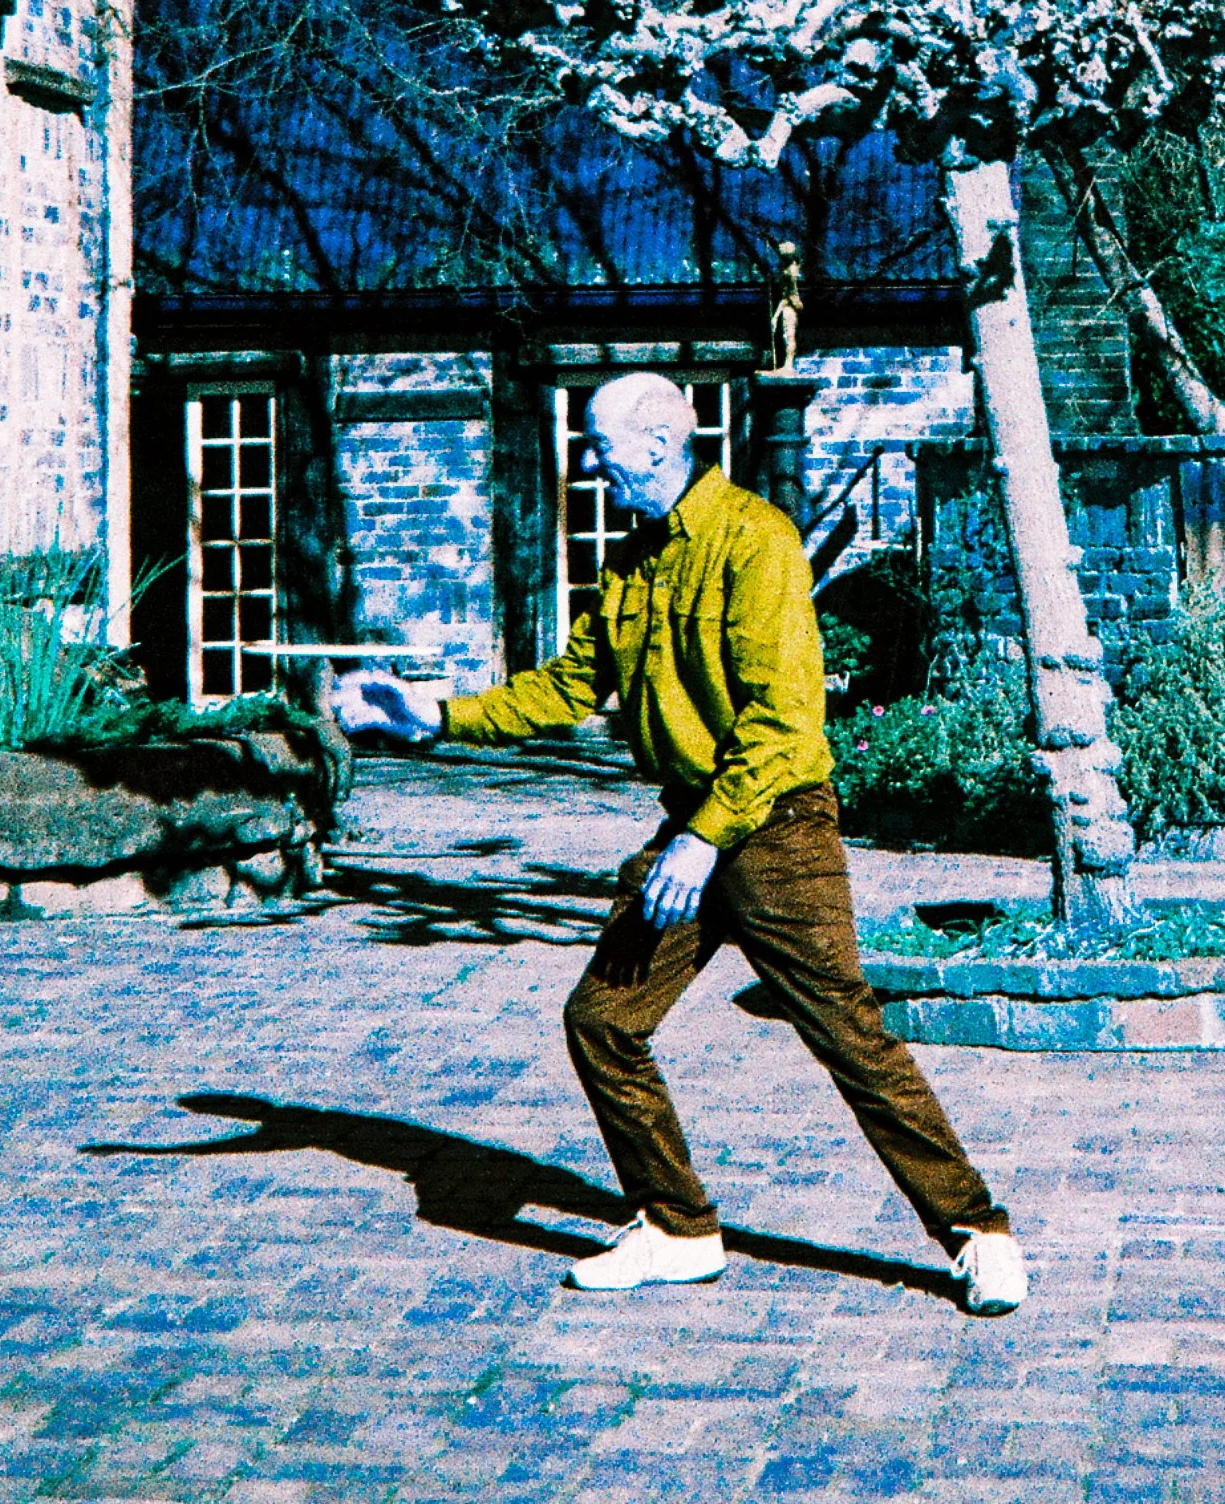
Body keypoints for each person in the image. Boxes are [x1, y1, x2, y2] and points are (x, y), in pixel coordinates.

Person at [337, 372, 1026, 1315]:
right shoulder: (632, 560)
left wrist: (702, 839)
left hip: (776, 827)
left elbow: (782, 722)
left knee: (847, 1036)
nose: (590, 463)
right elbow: (569, 683)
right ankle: (677, 1227)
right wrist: (434, 715)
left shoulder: (754, 539)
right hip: (695, 831)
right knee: (603, 1021)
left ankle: (978, 1230)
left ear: (659, 441)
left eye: (600, 444)